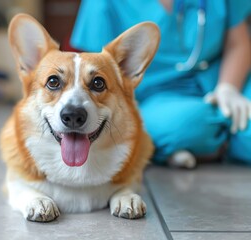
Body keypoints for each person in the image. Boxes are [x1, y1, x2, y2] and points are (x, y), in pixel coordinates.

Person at [70, 0, 251, 168]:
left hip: (224, 76)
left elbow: (238, 43)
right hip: (153, 97)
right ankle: (220, 135)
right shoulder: (103, 4)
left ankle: (208, 143)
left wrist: (229, 88)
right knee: (181, 126)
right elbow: (95, 75)